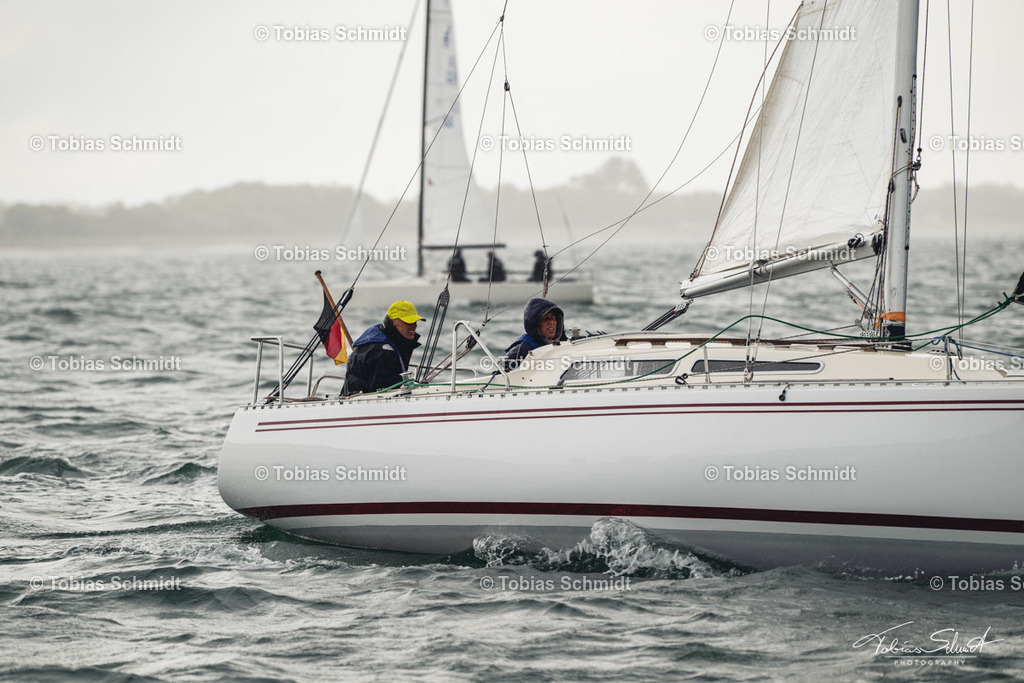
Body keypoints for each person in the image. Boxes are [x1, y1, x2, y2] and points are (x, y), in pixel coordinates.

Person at [341, 300, 426, 396]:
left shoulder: (382, 336)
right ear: (392, 321)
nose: (414, 326)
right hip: (365, 404)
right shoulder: (384, 352)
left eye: (415, 322)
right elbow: (383, 394)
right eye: (408, 322)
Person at [504, 297, 567, 371]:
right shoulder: (521, 351)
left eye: (553, 317)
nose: (551, 322)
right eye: (545, 319)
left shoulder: (566, 344)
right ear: (535, 324)